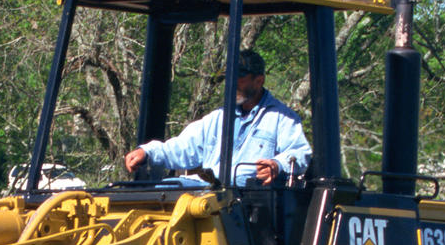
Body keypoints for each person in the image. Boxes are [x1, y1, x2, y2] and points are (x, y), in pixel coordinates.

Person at [122, 50, 310, 186]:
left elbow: (300, 153)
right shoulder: (217, 118)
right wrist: (147, 152)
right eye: (229, 78)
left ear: (259, 81)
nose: (231, 84)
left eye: (239, 78)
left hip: (250, 203)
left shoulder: (281, 118)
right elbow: (181, 147)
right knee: (163, 190)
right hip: (211, 196)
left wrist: (277, 165)